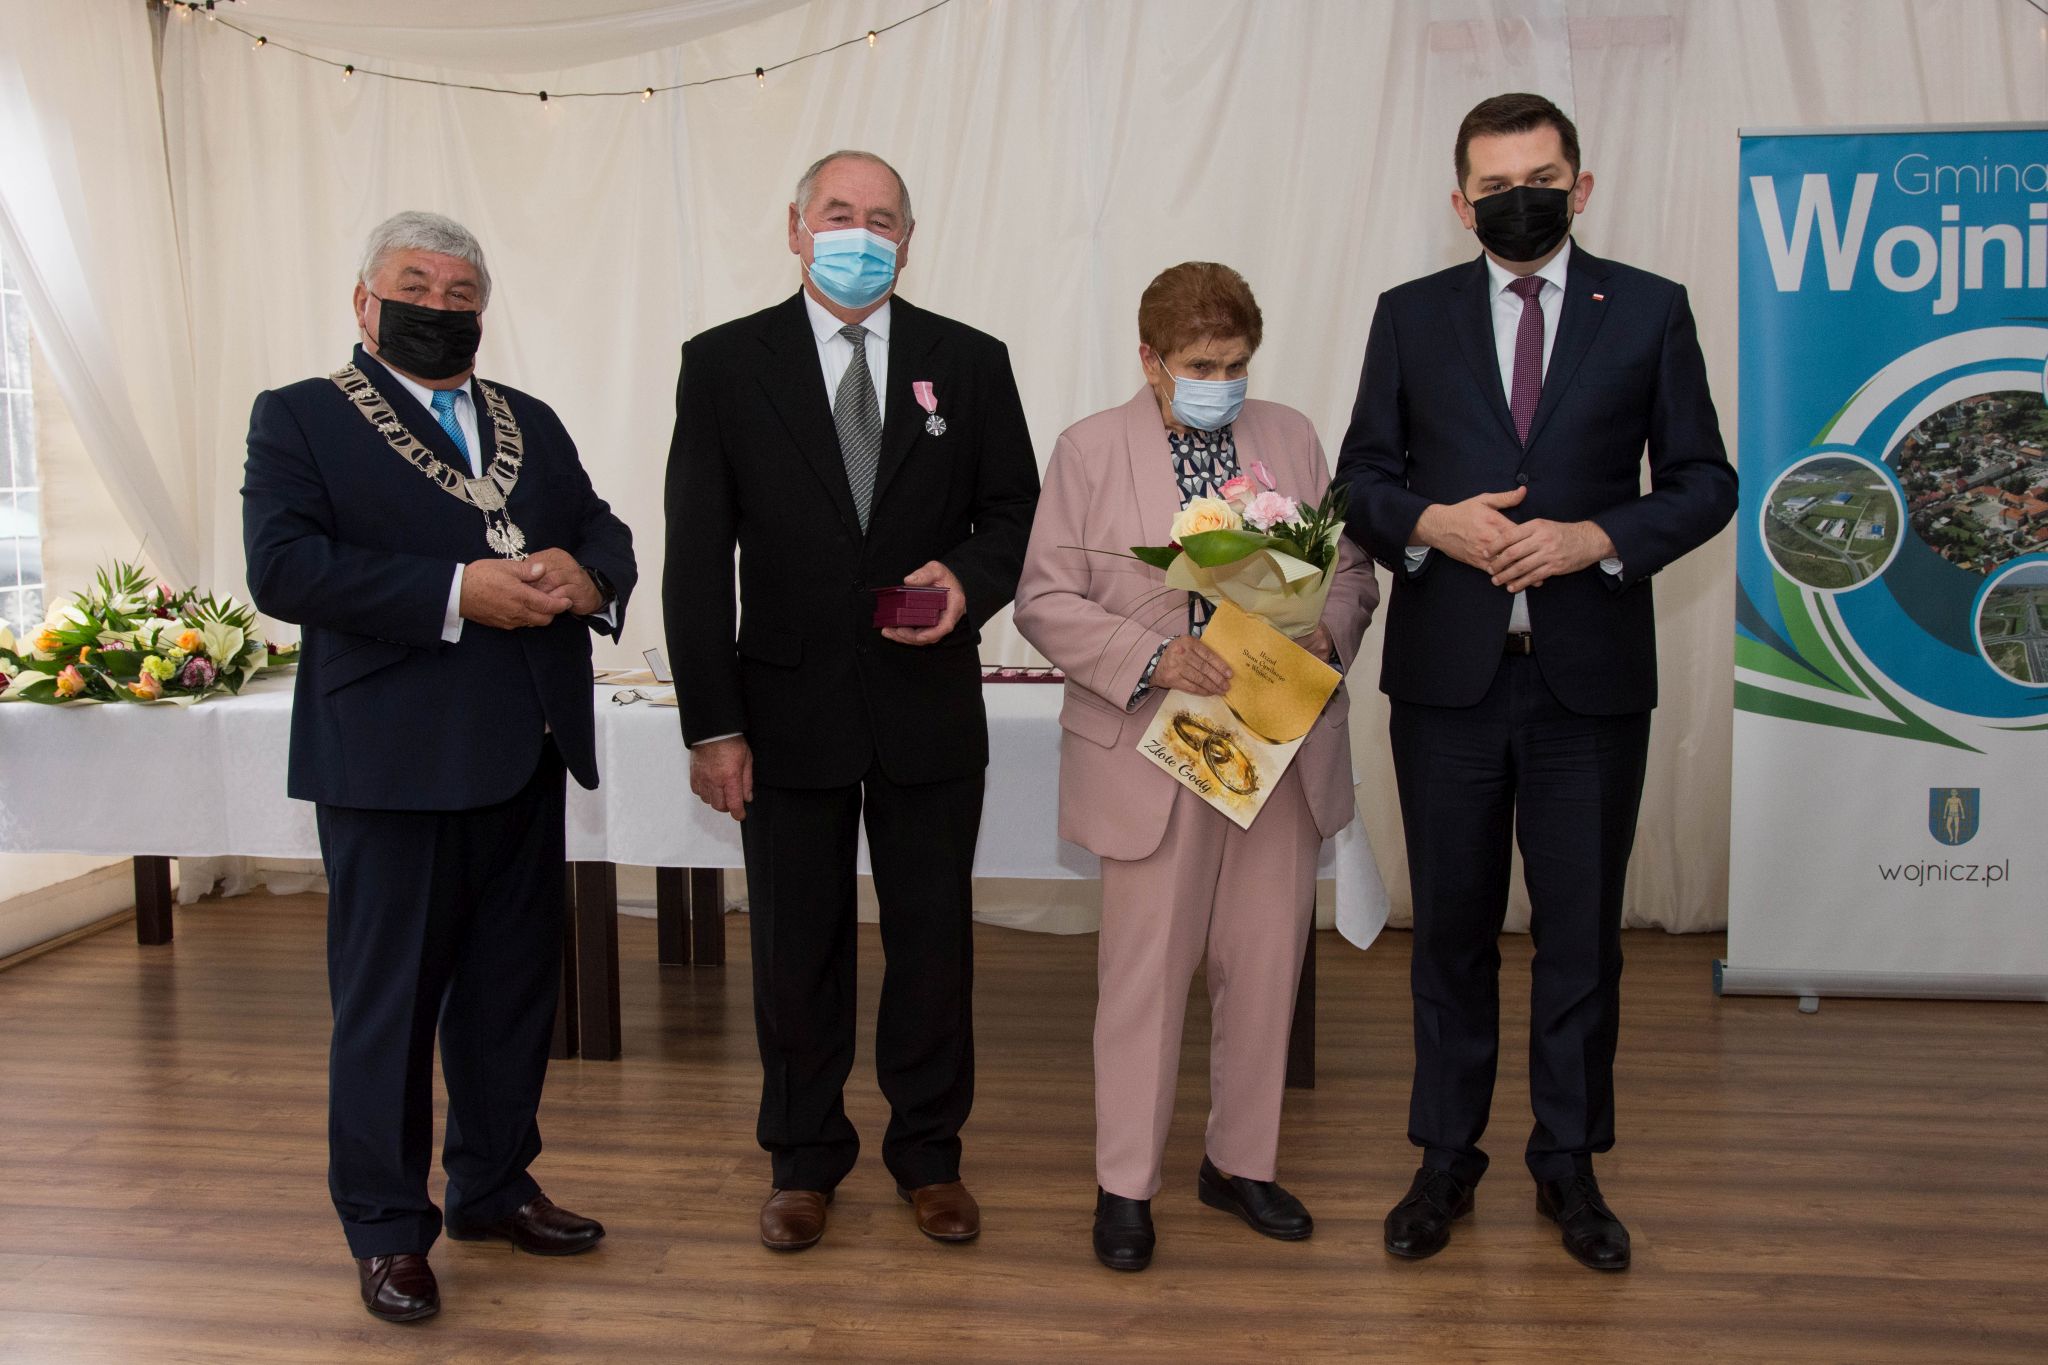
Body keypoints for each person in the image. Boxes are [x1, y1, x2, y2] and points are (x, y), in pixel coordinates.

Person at [1335, 93, 1737, 1271]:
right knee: (1448, 935)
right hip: (1446, 687)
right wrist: (1433, 525)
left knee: (1578, 941)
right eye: (1497, 185)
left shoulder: (1648, 310)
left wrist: (1594, 538)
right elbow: (1361, 479)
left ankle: (1567, 1163)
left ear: (1581, 186)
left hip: (1588, 686)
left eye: (1542, 179)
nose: (1522, 200)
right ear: (1459, 203)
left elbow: (1704, 480)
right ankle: (1442, 1159)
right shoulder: (1408, 315)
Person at [243, 211, 635, 1322]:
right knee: (389, 1007)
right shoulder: (300, 416)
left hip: (526, 747)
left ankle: (493, 1186)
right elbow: (283, 568)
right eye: (414, 287)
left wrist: (590, 575)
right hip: (389, 761)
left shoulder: (528, 419)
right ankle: (384, 1228)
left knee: (512, 995)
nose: (439, 307)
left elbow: (602, 529)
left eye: (461, 294)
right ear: (363, 302)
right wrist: (456, 592)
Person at [664, 150, 1038, 1252]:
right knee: (795, 949)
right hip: (784, 711)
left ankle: (930, 1155)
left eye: (882, 219)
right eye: (838, 214)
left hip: (928, 701)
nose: (859, 235)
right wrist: (713, 724)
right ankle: (801, 1158)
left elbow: (1017, 513)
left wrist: (964, 580)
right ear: (795, 229)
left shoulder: (970, 361)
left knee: (933, 945)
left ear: (909, 242)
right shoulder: (722, 364)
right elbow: (697, 558)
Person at [1014, 262, 1377, 1272]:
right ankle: (1125, 1184)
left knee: (1263, 966)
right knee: (1144, 975)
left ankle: (1240, 1162)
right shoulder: (1088, 449)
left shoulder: (1292, 436)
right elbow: (1043, 598)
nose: (1222, 381)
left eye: (1236, 363)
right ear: (1150, 360)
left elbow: (1350, 569)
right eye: (1200, 366)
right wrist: (1151, 655)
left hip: (1276, 738)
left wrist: (1327, 633)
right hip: (1149, 745)